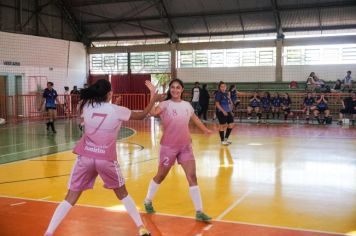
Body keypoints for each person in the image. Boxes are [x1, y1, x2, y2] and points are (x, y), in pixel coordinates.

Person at [44, 79, 161, 236]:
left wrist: (113, 104)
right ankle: (141, 227)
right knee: (123, 194)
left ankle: (49, 232)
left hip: (85, 157)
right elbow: (141, 115)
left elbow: (101, 113)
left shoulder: (85, 107)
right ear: (110, 94)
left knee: (70, 197)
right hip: (105, 159)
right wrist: (153, 97)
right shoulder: (117, 110)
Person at [143, 78, 213, 222]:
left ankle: (199, 212)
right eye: (173, 87)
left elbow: (195, 119)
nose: (175, 90)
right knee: (160, 176)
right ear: (170, 90)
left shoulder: (187, 105)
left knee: (192, 176)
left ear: (182, 90)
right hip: (168, 147)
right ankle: (148, 200)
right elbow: (151, 113)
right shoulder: (165, 104)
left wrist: (205, 130)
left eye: (178, 87)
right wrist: (152, 94)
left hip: (185, 146)